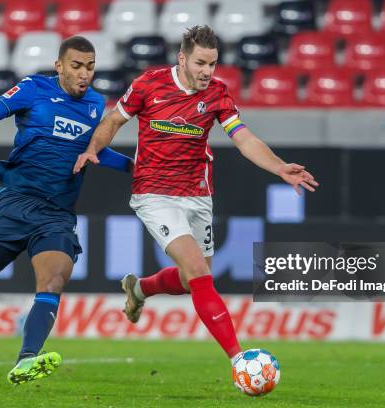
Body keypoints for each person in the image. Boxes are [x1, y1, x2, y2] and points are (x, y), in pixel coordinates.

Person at [73, 26, 318, 365]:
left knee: (194, 280)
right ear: (183, 58)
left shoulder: (217, 93)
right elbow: (114, 121)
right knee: (198, 273)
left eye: (213, 64)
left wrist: (278, 167)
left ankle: (139, 289)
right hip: (154, 193)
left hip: (197, 194)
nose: (207, 72)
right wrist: (92, 149)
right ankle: (240, 361)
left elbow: (244, 138)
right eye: (201, 63)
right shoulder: (149, 84)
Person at [0, 36, 133, 385]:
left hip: (56, 213)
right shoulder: (34, 88)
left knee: (54, 278)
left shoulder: (94, 104)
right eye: (76, 66)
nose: (84, 74)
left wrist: (134, 167)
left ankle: (27, 358)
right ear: (59, 65)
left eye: (90, 67)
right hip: (14, 203)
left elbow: (94, 151)